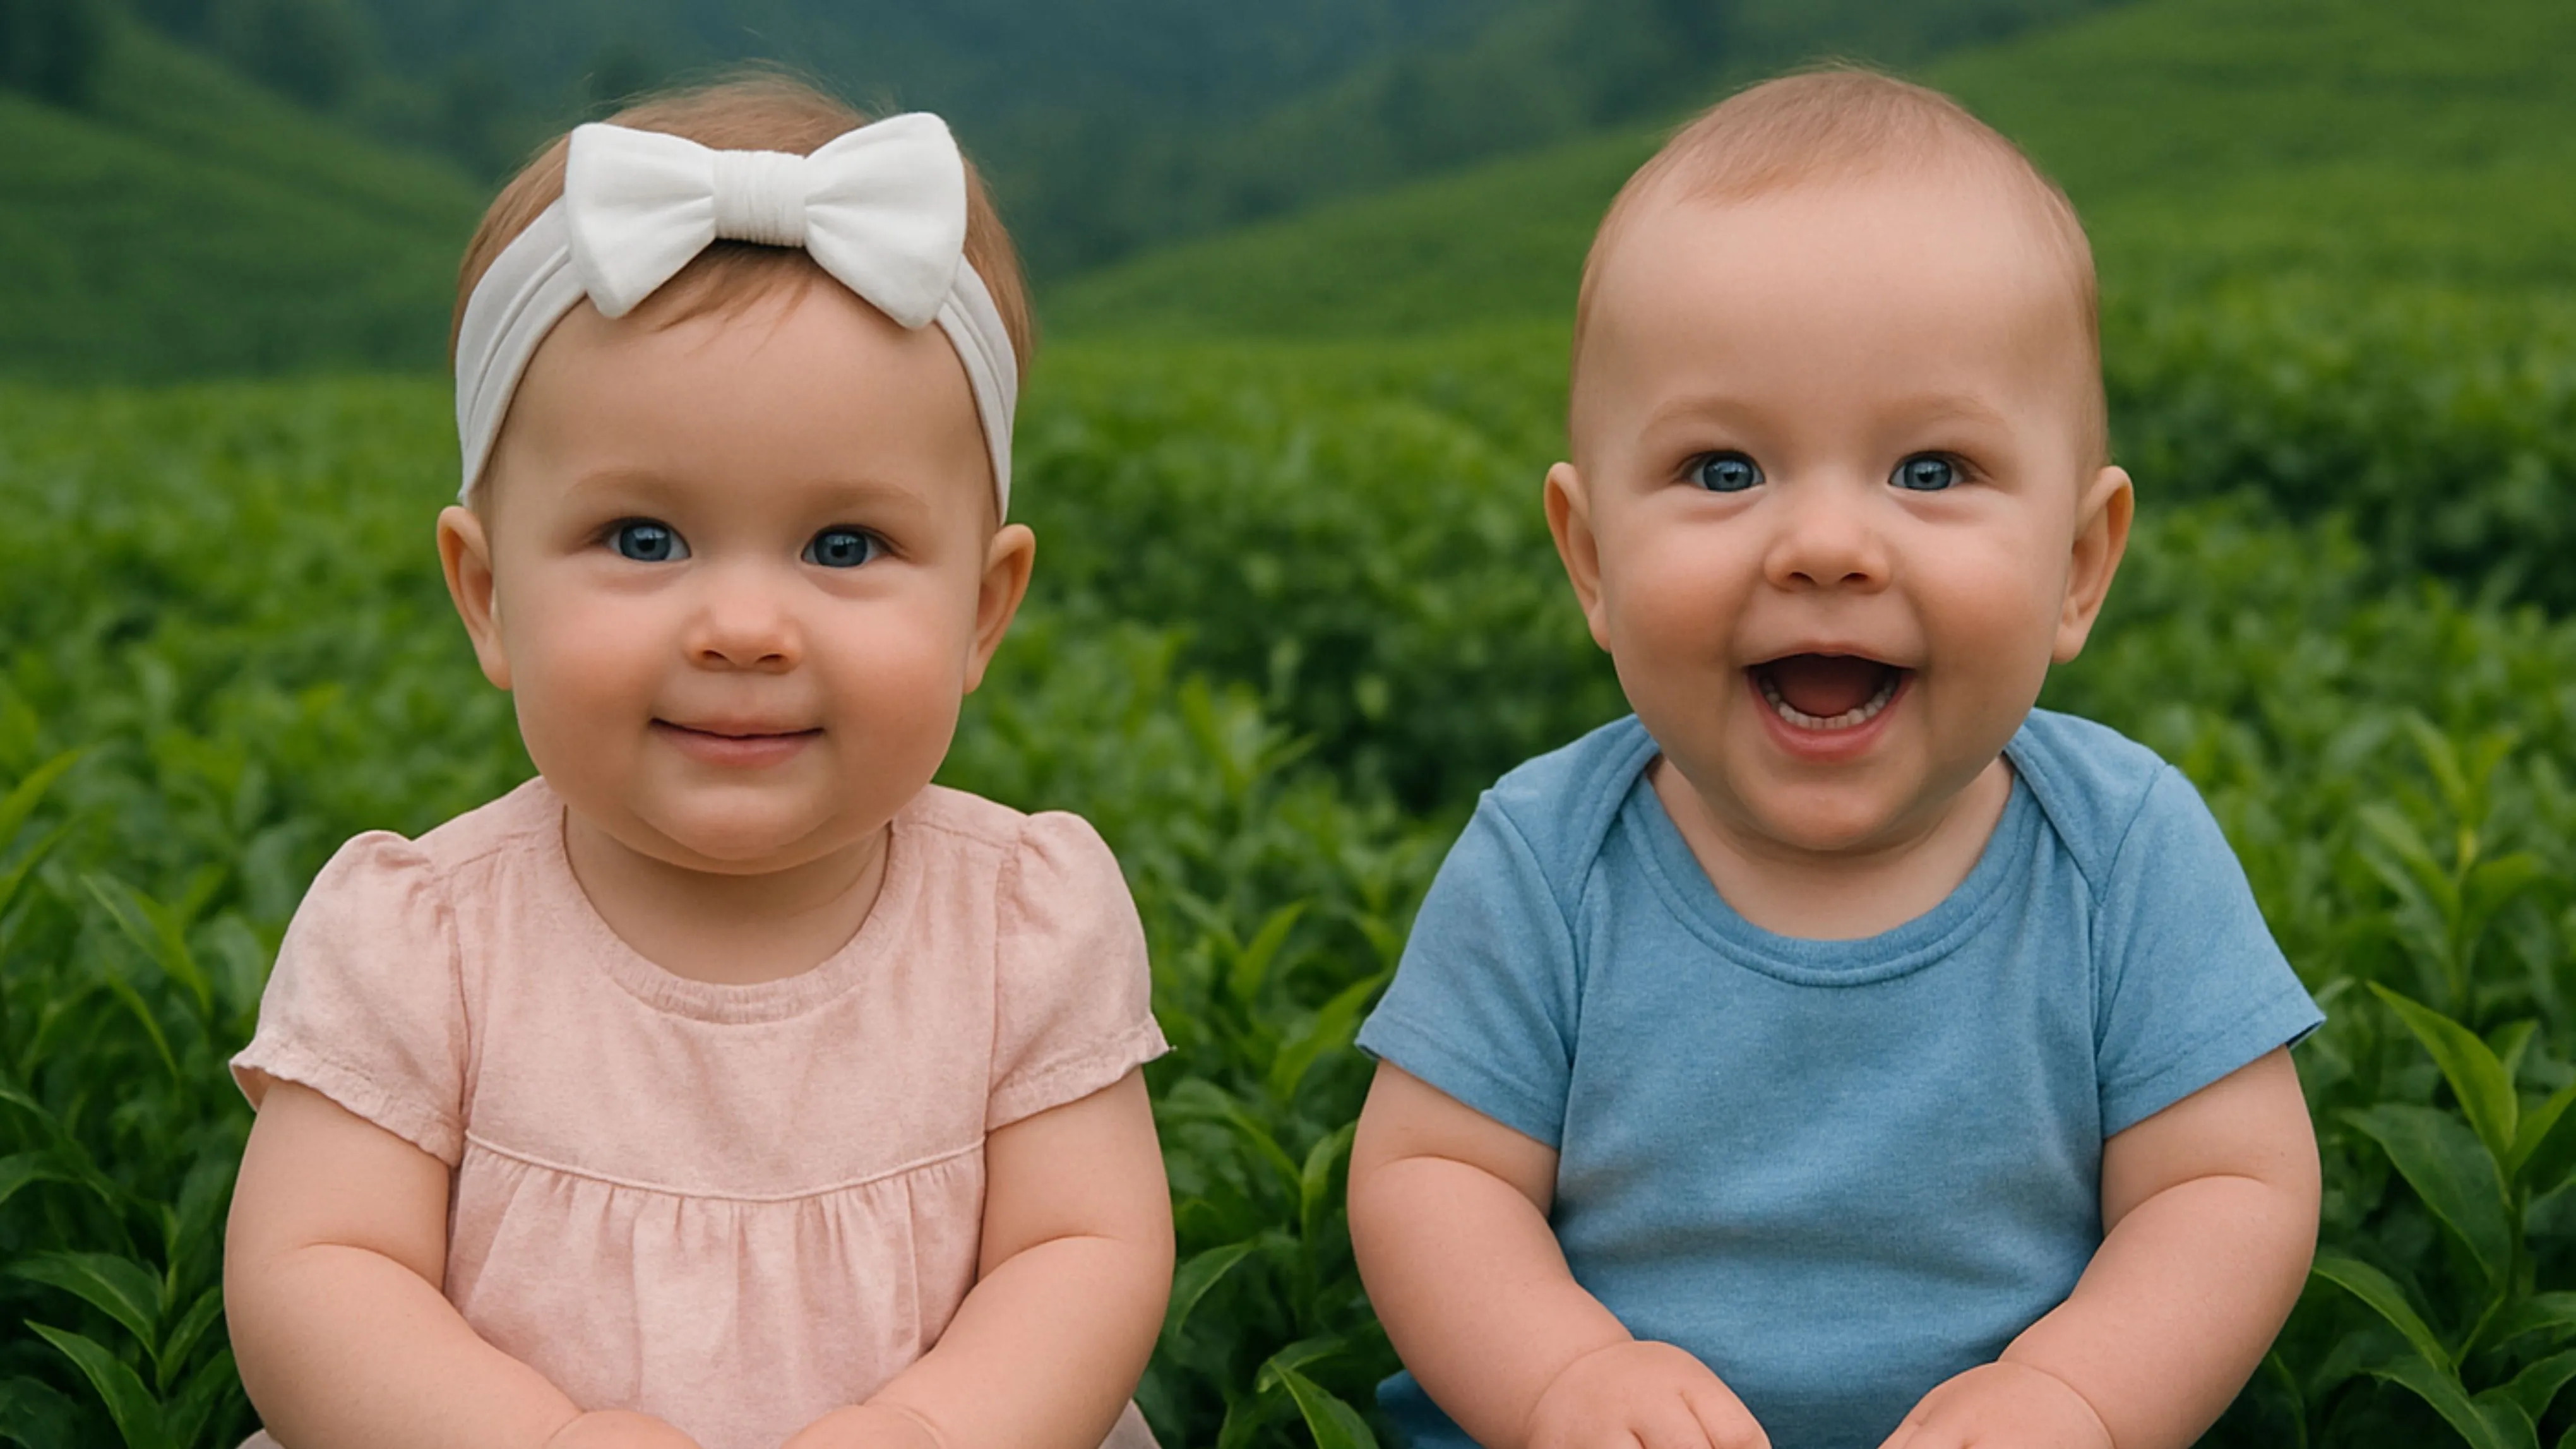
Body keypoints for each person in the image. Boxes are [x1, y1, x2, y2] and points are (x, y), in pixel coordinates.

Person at [1345, 68, 2324, 1449]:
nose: (1824, 545)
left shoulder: (2123, 850)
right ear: (1593, 559)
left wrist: (2076, 1395)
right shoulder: (1548, 855)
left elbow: (2224, 1188)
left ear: (2078, 565)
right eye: (1724, 470)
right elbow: (1436, 1177)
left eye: (1929, 471)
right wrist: (1566, 1379)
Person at [221, 76, 1174, 1449]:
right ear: (487, 595)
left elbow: (1083, 1251)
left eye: (844, 546)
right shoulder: (423, 941)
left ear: (982, 609)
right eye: (644, 539)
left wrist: (928, 1427)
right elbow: (318, 1275)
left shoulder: (1022, 922)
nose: (742, 627)